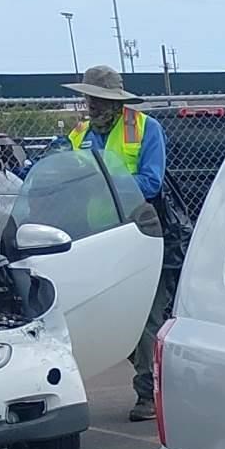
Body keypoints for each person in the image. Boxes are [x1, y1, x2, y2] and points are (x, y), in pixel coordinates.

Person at [63, 65, 174, 422]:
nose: (92, 105)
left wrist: (105, 184)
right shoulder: (80, 133)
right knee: (112, 316)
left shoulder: (145, 128)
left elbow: (151, 182)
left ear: (116, 101)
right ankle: (154, 380)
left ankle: (151, 393)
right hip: (97, 238)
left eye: (99, 99)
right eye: (89, 98)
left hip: (139, 236)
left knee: (145, 318)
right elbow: (60, 168)